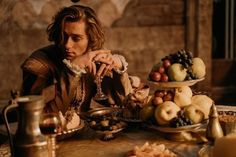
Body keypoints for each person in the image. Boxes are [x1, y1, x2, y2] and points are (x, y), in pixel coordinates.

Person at [21, 5, 133, 116]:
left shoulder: (93, 57)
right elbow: (37, 117)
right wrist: (72, 70)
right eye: (63, 36)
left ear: (91, 38)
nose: (67, 45)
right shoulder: (39, 64)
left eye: (76, 38)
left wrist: (119, 66)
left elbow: (124, 105)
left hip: (85, 130)